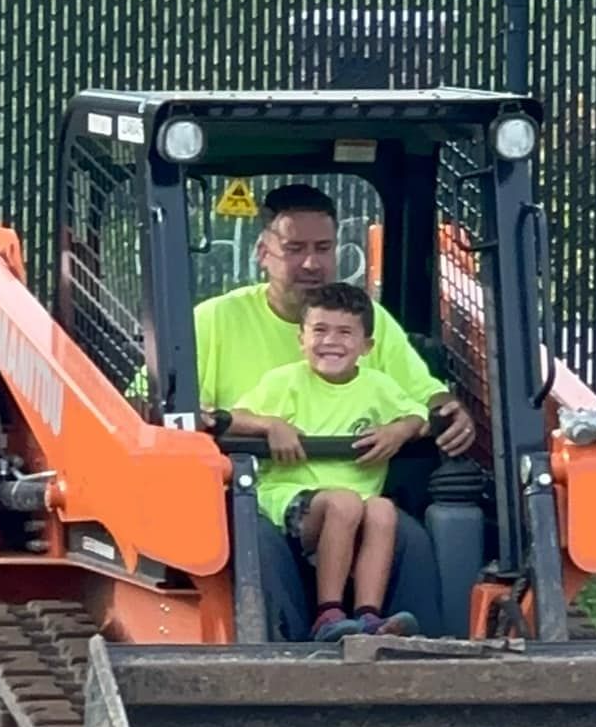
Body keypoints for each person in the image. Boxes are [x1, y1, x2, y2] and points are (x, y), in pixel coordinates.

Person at [195, 184, 476, 640]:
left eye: (323, 248)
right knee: (258, 543)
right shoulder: (212, 322)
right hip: (258, 495)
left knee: (406, 533)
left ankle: (417, 642)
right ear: (263, 252)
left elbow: (423, 394)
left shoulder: (372, 320)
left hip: (358, 492)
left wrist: (445, 411)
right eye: (294, 248)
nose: (311, 262)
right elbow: (169, 405)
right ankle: (283, 644)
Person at [233, 282, 426, 640]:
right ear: (301, 339)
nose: (330, 341)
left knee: (383, 510)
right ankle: (327, 615)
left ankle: (369, 617)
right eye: (319, 330)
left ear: (367, 346)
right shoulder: (283, 383)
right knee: (344, 502)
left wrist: (399, 431)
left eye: (344, 332)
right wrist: (271, 424)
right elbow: (234, 417)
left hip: (358, 505)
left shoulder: (378, 387)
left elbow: (419, 416)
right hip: (290, 498)